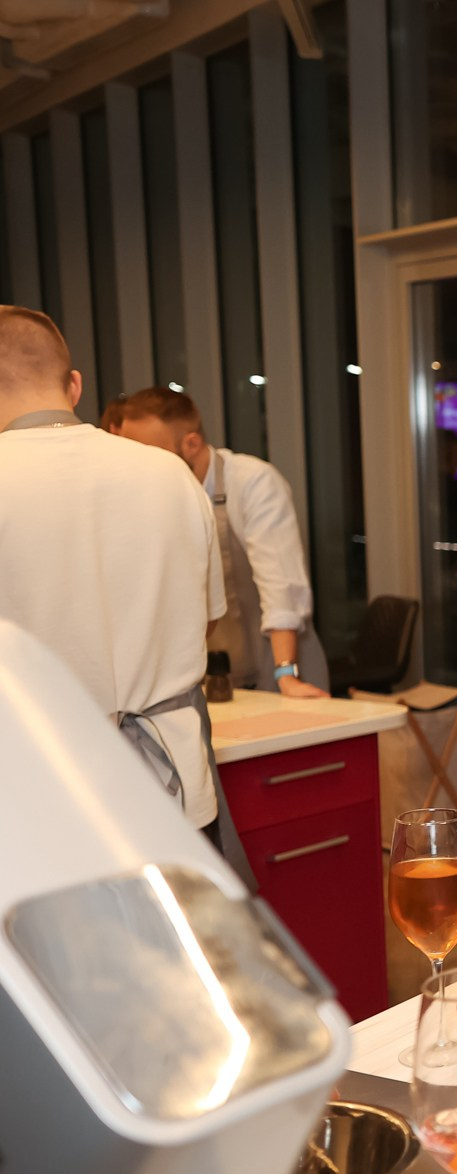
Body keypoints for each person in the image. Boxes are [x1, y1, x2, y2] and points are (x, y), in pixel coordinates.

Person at [0, 308, 231, 841]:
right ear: (74, 385)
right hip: (175, 798)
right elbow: (205, 624)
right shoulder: (171, 474)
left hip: (42, 807)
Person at [115, 386, 330, 696]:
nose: (139, 468)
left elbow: (281, 585)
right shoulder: (152, 497)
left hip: (280, 664)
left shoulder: (253, 482)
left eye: (150, 454)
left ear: (191, 443)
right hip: (215, 677)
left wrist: (286, 673)